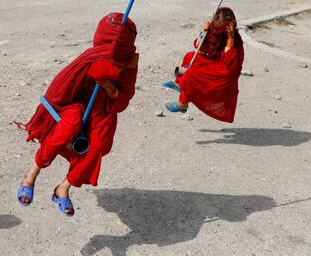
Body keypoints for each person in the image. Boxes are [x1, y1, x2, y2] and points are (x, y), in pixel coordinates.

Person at [16, 12, 139, 217]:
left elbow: (124, 100)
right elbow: (67, 85)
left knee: (96, 147)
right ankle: (31, 174)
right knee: (70, 125)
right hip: (75, 102)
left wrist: (109, 85)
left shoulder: (129, 62)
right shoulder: (93, 55)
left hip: (103, 109)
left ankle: (62, 189)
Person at [163, 7, 244, 123]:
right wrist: (204, 33)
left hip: (225, 71)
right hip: (215, 61)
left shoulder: (235, 39)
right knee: (190, 56)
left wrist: (230, 39)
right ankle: (181, 85)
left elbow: (229, 62)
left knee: (192, 74)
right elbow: (198, 46)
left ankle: (182, 105)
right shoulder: (214, 31)